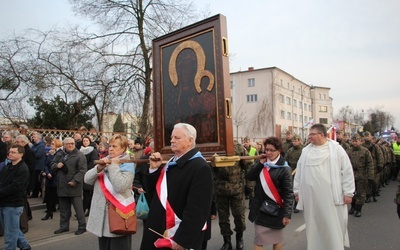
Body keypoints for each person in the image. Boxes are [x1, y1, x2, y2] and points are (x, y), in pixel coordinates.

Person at [140, 123, 213, 250]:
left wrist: (182, 240)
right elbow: (154, 194)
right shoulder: (172, 162)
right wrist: (153, 170)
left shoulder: (200, 167)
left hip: (176, 236)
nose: (172, 140)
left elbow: (197, 210)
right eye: (172, 137)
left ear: (190, 141)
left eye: (177, 138)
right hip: (158, 228)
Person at [294, 124, 355, 250]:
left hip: (331, 197)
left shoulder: (336, 150)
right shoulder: (306, 151)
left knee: (332, 225)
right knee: (314, 227)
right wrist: (297, 191)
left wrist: (348, 193)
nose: (309, 137)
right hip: (311, 198)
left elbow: (347, 171)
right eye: (309, 134)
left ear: (322, 135)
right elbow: (299, 172)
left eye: (312, 134)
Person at [84, 134, 135, 250]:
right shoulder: (105, 160)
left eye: (115, 146)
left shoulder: (128, 164)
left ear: (123, 148)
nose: (110, 149)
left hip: (119, 216)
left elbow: (120, 186)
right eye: (110, 146)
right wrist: (99, 168)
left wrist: (113, 166)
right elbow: (87, 179)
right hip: (102, 217)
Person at [246, 136, 293, 250]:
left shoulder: (284, 168)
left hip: (276, 210)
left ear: (279, 151)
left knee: (276, 240)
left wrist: (287, 214)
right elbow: (250, 176)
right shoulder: (262, 163)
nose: (268, 153)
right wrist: (260, 164)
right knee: (259, 240)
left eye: (272, 150)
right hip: (260, 209)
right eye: (267, 149)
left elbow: (288, 193)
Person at [214, 141, 247, 250]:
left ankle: (239, 238)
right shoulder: (215, 147)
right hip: (220, 189)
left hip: (236, 188)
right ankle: (227, 241)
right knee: (223, 218)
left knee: (239, 215)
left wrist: (248, 187)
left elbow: (247, 165)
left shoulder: (239, 147)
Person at [51, 137, 87, 235]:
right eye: (68, 144)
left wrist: (75, 181)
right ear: (64, 145)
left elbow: (83, 170)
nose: (70, 145)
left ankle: (82, 226)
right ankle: (64, 226)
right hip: (62, 185)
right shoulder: (60, 154)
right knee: (63, 209)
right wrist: (56, 166)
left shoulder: (80, 155)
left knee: (78, 209)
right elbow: (52, 164)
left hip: (74, 186)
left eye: (72, 143)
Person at [0, 144, 31, 250]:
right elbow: (2, 182)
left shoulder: (23, 168)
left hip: (13, 204)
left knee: (10, 234)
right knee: (12, 229)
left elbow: (15, 187)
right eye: (9, 152)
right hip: (4, 202)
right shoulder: (7, 167)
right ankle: (25, 246)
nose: (10, 154)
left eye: (13, 152)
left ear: (21, 154)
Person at [346, 134, 373, 217]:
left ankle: (358, 209)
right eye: (353, 141)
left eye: (356, 141)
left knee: (361, 193)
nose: (354, 143)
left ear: (360, 141)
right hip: (351, 175)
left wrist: (370, 176)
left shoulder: (365, 151)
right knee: (352, 192)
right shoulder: (348, 151)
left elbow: (370, 164)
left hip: (362, 175)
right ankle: (353, 207)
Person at [15, 135, 36, 231]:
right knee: (24, 199)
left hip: (27, 178)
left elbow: (31, 166)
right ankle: (28, 214)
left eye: (18, 142)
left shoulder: (29, 152)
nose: (17, 144)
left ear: (24, 142)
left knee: (23, 199)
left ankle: (25, 220)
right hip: (25, 177)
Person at [42, 139, 63, 220]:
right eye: (51, 143)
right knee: (48, 195)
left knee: (56, 194)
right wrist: (47, 173)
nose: (51, 145)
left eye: (53, 144)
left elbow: (58, 165)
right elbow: (46, 164)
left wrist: (52, 173)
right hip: (49, 177)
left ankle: (59, 209)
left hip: (56, 177)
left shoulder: (60, 153)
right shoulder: (50, 153)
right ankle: (49, 211)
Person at [80, 135, 99, 217]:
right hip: (82, 174)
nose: (85, 142)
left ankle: (89, 209)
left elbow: (93, 163)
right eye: (84, 141)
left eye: (86, 141)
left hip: (89, 173)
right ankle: (83, 209)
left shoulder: (93, 151)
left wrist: (86, 170)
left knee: (88, 193)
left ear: (89, 142)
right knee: (84, 193)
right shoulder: (80, 150)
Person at [362, 131, 383, 202]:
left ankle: (374, 193)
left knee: (374, 182)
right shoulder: (362, 146)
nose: (367, 137)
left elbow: (380, 156)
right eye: (366, 136)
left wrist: (380, 165)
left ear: (371, 137)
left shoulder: (375, 146)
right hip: (365, 167)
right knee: (367, 182)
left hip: (374, 167)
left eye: (368, 136)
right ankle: (368, 196)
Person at [284, 134, 303, 213]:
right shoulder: (290, 150)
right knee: (290, 188)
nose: (294, 143)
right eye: (293, 141)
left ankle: (297, 204)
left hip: (300, 170)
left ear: (299, 141)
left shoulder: (303, 150)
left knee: (299, 188)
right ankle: (290, 204)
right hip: (290, 170)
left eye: (296, 141)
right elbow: (286, 160)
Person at [31, 131, 46, 198]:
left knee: (37, 180)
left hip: (38, 166)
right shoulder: (34, 145)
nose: (33, 138)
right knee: (35, 180)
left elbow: (38, 155)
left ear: (38, 138)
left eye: (34, 137)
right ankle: (35, 192)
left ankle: (36, 193)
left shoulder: (41, 145)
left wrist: (32, 154)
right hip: (34, 165)